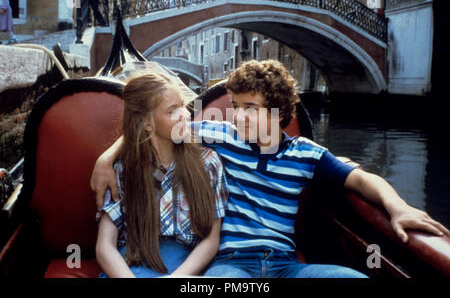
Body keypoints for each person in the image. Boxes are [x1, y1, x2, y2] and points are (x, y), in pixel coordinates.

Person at [92, 60, 450, 278]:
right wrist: (106, 159)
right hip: (231, 264)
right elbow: (151, 126)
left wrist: (398, 207)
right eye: (235, 105)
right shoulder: (220, 136)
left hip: (287, 265)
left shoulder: (306, 155)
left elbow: (363, 179)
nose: (237, 115)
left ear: (278, 111)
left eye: (250, 107)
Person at [95, 72, 228, 278]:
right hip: (130, 266)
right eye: (173, 111)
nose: (185, 114)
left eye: (183, 105)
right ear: (148, 123)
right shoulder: (125, 168)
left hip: (186, 269)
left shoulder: (208, 163)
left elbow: (211, 240)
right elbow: (105, 246)